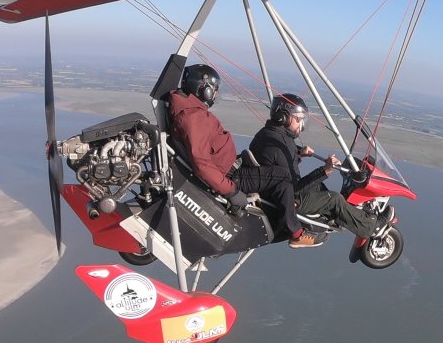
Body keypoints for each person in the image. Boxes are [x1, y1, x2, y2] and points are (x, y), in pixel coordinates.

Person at [166, 64, 303, 239]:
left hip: (230, 168)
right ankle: (295, 232)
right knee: (283, 176)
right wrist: (232, 192)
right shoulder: (193, 117)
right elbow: (202, 165)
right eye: (214, 90)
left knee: (276, 176)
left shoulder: (187, 108)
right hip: (231, 177)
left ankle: (288, 225)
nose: (215, 95)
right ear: (204, 89)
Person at [249, 93, 394, 248]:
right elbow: (292, 190)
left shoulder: (267, 134)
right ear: (282, 117)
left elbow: (275, 163)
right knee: (334, 199)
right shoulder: (280, 145)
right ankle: (372, 228)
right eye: (298, 119)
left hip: (271, 193)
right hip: (285, 202)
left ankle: (345, 216)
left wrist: (298, 154)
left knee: (319, 187)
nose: (301, 124)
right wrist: (324, 171)